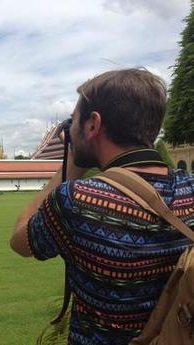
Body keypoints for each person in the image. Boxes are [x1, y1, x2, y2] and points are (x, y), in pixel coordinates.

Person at [11, 69, 194, 345]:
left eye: (73, 122)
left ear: (93, 125)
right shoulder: (190, 188)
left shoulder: (78, 201)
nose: (70, 131)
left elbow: (20, 240)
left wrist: (74, 160)